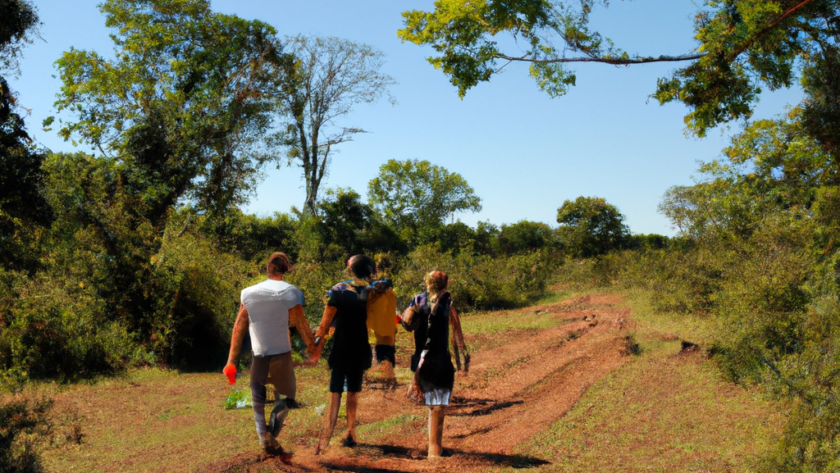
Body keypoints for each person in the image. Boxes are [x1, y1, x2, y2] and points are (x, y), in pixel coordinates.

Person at [224, 252, 317, 455]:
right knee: (288, 397)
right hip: (282, 355)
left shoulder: (248, 293)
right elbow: (300, 323)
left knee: (257, 394)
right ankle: (272, 435)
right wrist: (313, 349)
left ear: (268, 268)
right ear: (286, 270)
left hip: (259, 354)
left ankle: (262, 436)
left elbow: (239, 326)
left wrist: (231, 360)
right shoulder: (291, 292)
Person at [311, 254, 385, 452]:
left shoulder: (338, 290)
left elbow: (325, 322)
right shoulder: (373, 291)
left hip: (341, 346)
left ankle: (325, 439)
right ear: (370, 270)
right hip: (360, 347)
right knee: (353, 391)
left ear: (350, 269)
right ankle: (351, 433)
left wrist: (317, 341)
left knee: (335, 392)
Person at [401, 270, 469, 459]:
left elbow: (406, 324)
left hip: (421, 362)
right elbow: (456, 331)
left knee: (433, 406)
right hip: (439, 360)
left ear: (427, 283)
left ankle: (434, 449)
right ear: (445, 284)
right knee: (438, 407)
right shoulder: (447, 301)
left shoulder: (418, 300)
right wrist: (462, 356)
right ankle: (434, 451)